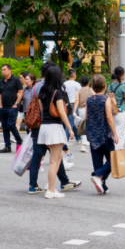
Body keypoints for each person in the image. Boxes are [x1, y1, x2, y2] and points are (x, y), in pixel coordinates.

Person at [28, 65, 80, 194]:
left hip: (44, 127)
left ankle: (52, 186)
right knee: (54, 161)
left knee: (52, 159)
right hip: (54, 128)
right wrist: (70, 128)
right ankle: (51, 190)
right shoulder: (57, 93)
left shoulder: (41, 92)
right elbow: (62, 113)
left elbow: (41, 111)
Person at [85, 74, 118, 193]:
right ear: (104, 86)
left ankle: (102, 185)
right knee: (113, 160)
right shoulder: (106, 99)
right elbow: (109, 117)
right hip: (105, 135)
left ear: (93, 87)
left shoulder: (89, 99)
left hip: (92, 135)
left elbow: (87, 117)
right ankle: (97, 175)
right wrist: (115, 133)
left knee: (97, 161)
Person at [107, 67, 125, 150]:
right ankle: (116, 154)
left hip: (112, 112)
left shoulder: (110, 86)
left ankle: (117, 151)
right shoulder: (123, 87)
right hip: (120, 113)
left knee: (117, 132)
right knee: (119, 134)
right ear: (121, 75)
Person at [0, 64, 24, 153]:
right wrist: (0, 105)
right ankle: (7, 146)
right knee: (4, 127)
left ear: (10, 70)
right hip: (3, 107)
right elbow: (0, 94)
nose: (3, 71)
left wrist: (16, 104)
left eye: (4, 69)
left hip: (12, 107)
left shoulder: (16, 80)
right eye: (2, 70)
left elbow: (20, 92)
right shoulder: (1, 81)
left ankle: (19, 140)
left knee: (11, 124)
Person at [75, 76, 93, 153]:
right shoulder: (91, 90)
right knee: (88, 127)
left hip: (81, 110)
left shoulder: (78, 91)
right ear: (89, 82)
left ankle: (84, 143)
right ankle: (84, 145)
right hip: (89, 109)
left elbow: (76, 101)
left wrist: (74, 111)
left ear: (81, 83)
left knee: (83, 126)